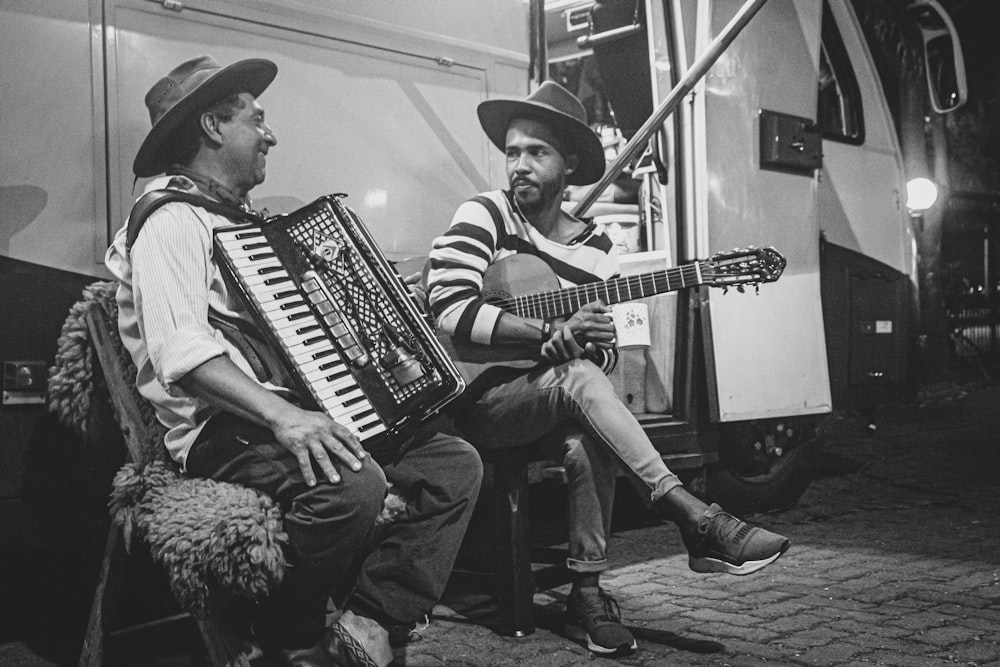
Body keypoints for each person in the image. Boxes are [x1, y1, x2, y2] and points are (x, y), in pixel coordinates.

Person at [105, 55, 483, 667]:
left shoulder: (233, 222)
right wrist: (287, 420)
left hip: (286, 409)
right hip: (218, 430)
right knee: (354, 486)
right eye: (257, 120)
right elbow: (183, 352)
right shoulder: (171, 221)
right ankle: (288, 630)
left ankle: (370, 622)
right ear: (211, 127)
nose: (269, 135)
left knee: (452, 463)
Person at [425, 81, 790, 657]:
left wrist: (589, 340)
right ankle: (692, 517)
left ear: (569, 163)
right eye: (512, 152)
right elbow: (447, 307)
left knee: (585, 434)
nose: (518, 165)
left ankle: (588, 592)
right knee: (580, 384)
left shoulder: (598, 249)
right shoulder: (486, 212)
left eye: (536, 153)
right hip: (476, 404)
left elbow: (604, 353)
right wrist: (550, 334)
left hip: (553, 399)